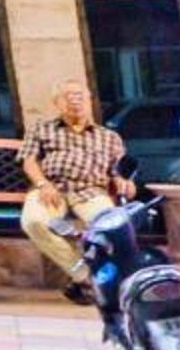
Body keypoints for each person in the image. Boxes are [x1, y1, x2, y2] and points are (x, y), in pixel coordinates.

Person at [19, 80, 133, 304]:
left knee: (113, 228)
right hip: (52, 188)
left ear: (90, 101)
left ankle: (122, 282)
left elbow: (117, 172)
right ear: (57, 103)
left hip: (91, 191)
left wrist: (123, 182)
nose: (75, 101)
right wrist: (42, 184)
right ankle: (85, 276)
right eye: (68, 96)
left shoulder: (109, 137)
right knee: (33, 222)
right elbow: (29, 162)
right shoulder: (41, 129)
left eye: (80, 96)